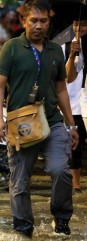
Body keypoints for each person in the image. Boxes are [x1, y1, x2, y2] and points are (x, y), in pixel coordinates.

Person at [0, 0, 79, 238]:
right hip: (21, 123)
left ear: (49, 22)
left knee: (61, 170)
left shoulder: (54, 51)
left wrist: (71, 124)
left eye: (43, 21)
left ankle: (61, 220)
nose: (38, 26)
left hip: (51, 120)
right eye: (33, 21)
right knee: (20, 180)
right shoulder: (11, 48)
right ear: (24, 22)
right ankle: (23, 228)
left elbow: (61, 89)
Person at [63, 9, 87, 193]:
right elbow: (67, 77)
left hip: (84, 101)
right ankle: (75, 182)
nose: (79, 28)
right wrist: (72, 54)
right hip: (71, 103)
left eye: (84, 24)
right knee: (74, 146)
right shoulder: (65, 47)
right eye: (77, 24)